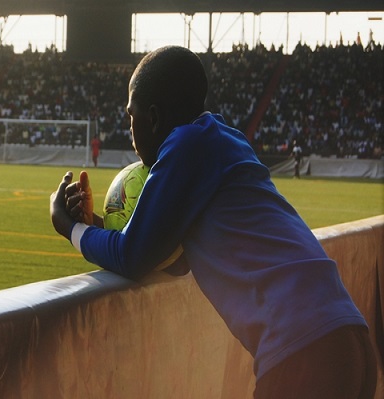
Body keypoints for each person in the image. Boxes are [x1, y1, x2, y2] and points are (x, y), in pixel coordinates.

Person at [50, 46, 376, 398]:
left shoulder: (186, 145)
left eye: (132, 115)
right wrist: (95, 222)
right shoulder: (224, 139)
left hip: (303, 352)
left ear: (154, 118)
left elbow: (134, 255)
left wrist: (70, 227)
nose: (130, 127)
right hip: (348, 339)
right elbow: (171, 259)